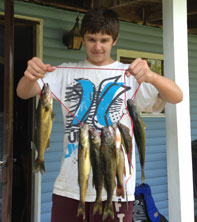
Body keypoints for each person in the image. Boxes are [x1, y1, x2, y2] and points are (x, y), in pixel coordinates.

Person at [16, 8, 183, 222]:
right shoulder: (65, 71)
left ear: (115, 40)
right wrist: (30, 75)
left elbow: (176, 96)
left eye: (104, 40)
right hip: (70, 188)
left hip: (117, 188)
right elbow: (23, 92)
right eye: (91, 39)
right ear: (83, 39)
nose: (97, 46)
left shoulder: (129, 76)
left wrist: (151, 76)